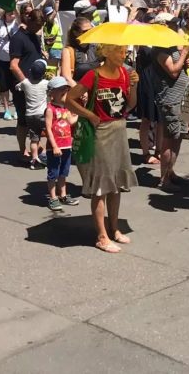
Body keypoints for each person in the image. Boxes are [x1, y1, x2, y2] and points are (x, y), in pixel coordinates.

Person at [66, 44, 138, 253]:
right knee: (101, 187)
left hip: (119, 131)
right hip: (100, 133)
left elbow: (130, 105)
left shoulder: (125, 74)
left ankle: (114, 229)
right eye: (119, 51)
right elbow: (70, 99)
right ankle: (101, 235)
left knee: (116, 184)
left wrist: (134, 86)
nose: (123, 55)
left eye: (125, 51)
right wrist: (90, 115)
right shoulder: (92, 75)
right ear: (106, 53)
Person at [150, 12, 189, 192]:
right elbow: (173, 71)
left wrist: (185, 60)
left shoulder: (171, 46)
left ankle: (171, 172)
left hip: (180, 98)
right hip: (170, 100)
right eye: (173, 25)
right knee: (170, 139)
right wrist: (184, 54)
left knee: (178, 136)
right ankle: (164, 179)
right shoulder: (160, 49)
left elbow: (179, 66)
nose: (177, 28)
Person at [9, 6, 46, 159]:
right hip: (23, 86)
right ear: (29, 21)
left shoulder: (34, 36)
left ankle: (36, 148)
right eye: (37, 25)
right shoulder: (18, 38)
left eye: (41, 26)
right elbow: (13, 65)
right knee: (23, 119)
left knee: (38, 117)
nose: (39, 29)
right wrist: (25, 83)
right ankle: (22, 149)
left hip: (36, 84)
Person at [44, 76, 79, 212]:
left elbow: (70, 121)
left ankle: (63, 195)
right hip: (55, 147)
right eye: (61, 90)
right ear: (52, 93)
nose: (64, 91)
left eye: (65, 89)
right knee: (53, 172)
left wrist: (82, 113)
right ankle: (53, 197)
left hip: (66, 145)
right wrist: (54, 146)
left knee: (64, 172)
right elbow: (48, 129)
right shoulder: (50, 109)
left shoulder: (66, 108)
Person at [16, 59, 49, 169]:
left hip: (29, 115)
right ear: (43, 73)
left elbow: (17, 87)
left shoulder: (25, 83)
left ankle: (34, 159)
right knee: (51, 133)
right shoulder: (45, 84)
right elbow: (52, 88)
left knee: (34, 138)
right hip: (42, 114)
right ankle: (48, 154)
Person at [42, 0, 63, 66]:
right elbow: (55, 11)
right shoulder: (50, 22)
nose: (54, 14)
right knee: (56, 68)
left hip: (52, 49)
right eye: (51, 13)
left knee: (53, 68)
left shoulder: (48, 24)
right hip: (55, 50)